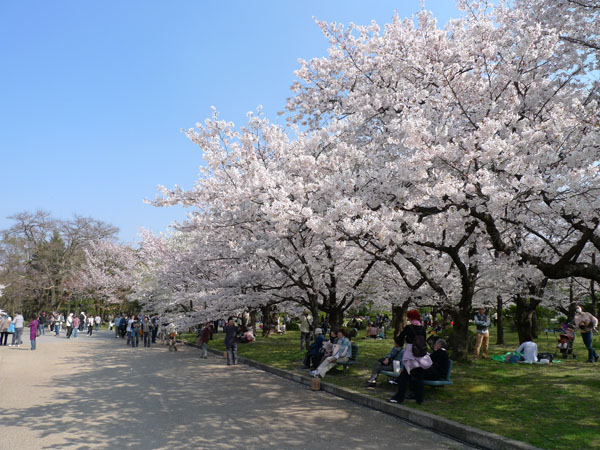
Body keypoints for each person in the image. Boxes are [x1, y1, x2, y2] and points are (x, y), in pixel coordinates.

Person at [389, 310, 431, 405]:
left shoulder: (408, 328)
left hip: (411, 355)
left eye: (408, 317)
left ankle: (399, 397)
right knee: (419, 377)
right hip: (420, 354)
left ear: (411, 318)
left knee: (404, 377)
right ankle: (419, 399)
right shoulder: (423, 328)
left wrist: (399, 338)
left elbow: (400, 341)